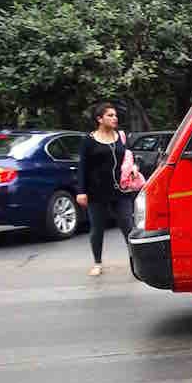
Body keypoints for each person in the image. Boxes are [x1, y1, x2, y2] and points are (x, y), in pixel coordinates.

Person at [77, 102, 135, 276]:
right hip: (96, 191)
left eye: (115, 115)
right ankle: (97, 263)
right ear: (99, 119)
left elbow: (130, 158)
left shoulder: (121, 136)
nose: (114, 118)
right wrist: (81, 191)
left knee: (128, 226)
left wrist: (134, 168)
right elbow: (83, 167)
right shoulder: (88, 140)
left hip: (121, 190)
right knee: (97, 229)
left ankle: (135, 261)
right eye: (110, 115)